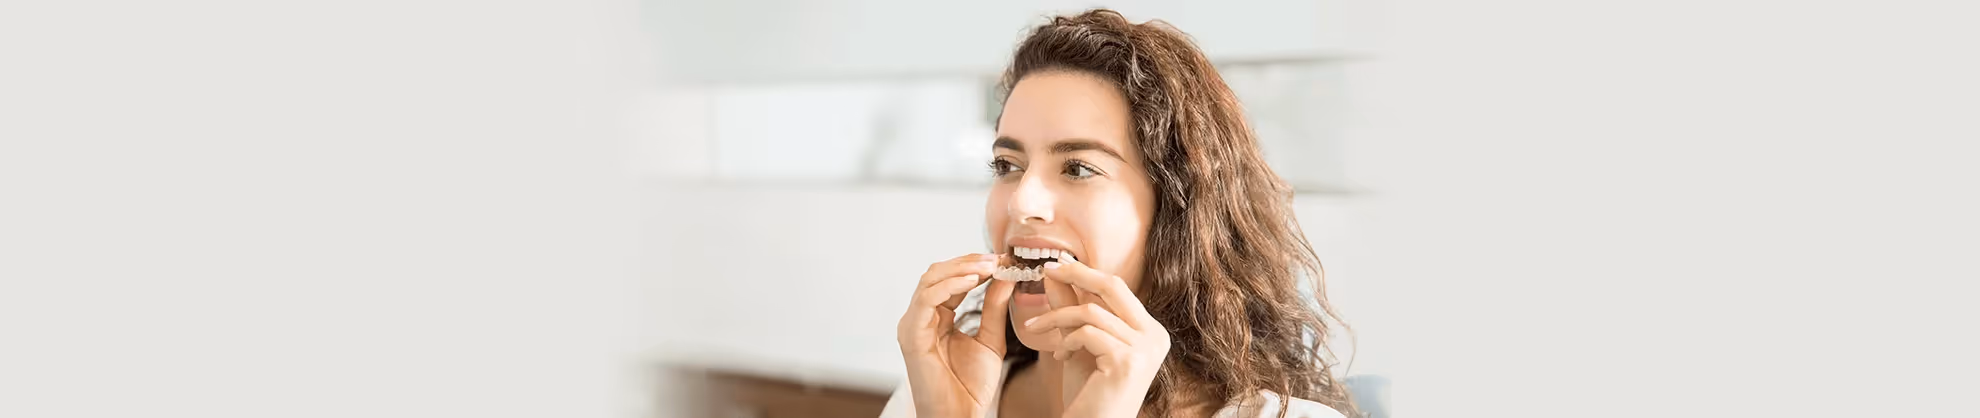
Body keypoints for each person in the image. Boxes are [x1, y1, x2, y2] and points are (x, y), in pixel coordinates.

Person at [885, 9, 1358, 418]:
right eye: (1008, 165)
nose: (1021, 202)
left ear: (1176, 209)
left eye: (1077, 168)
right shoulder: (930, 397)